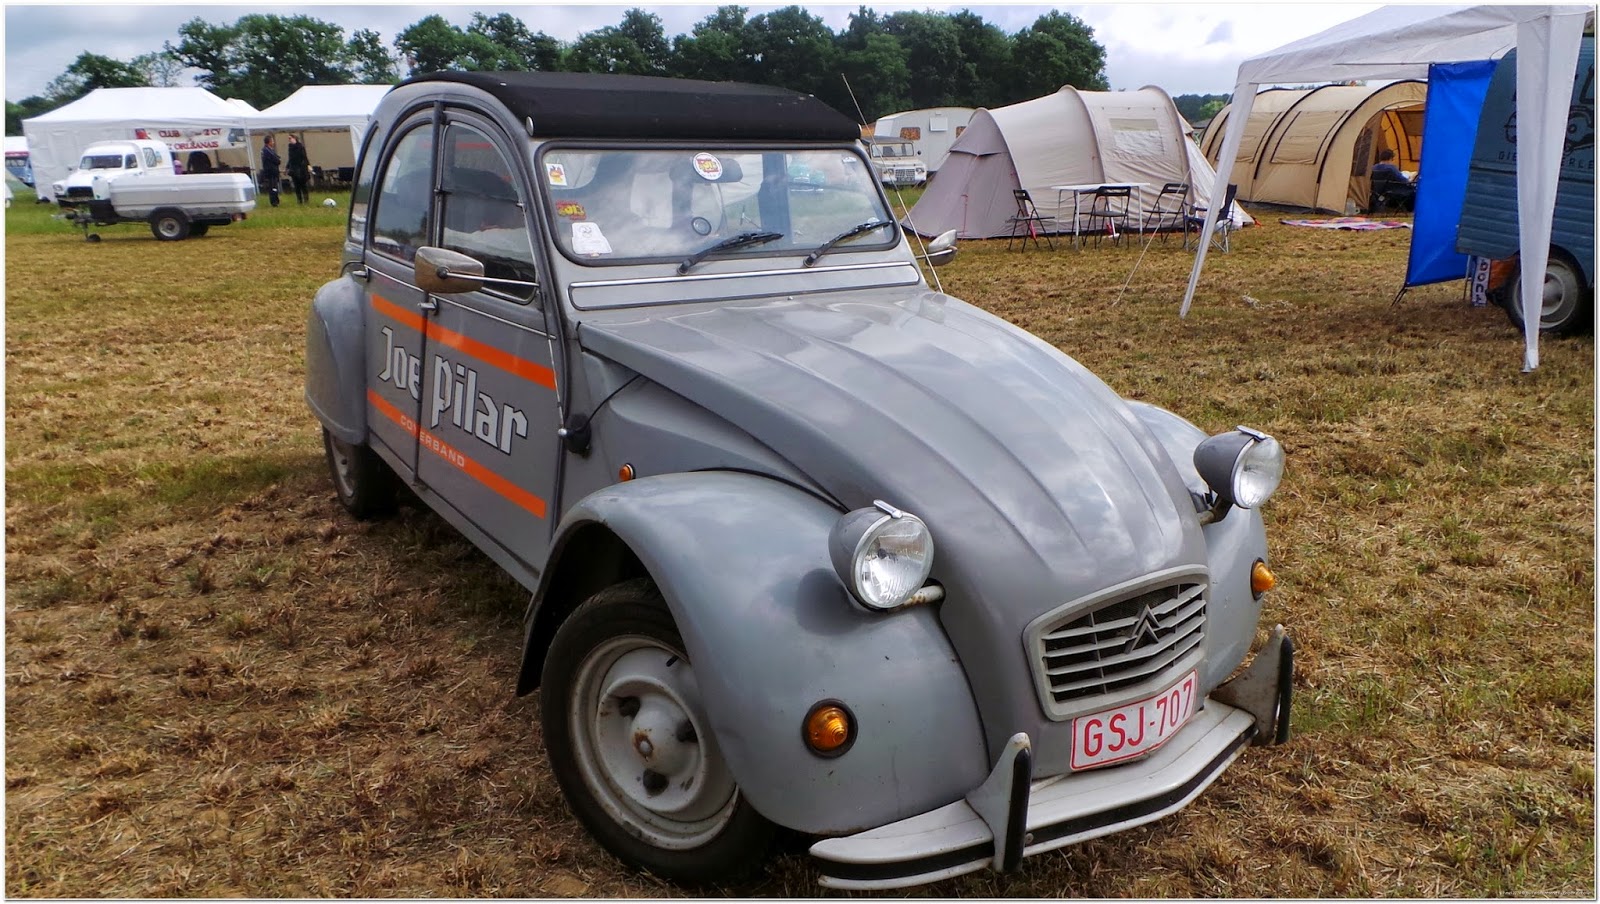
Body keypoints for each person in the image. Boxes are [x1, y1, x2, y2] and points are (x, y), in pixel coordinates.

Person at [286, 134, 311, 205]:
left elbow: (304, 157)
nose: (290, 140)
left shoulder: (300, 147)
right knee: (296, 186)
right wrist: (287, 167)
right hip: (293, 169)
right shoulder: (290, 148)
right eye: (289, 139)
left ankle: (306, 200)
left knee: (303, 186)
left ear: (295, 138)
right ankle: (299, 200)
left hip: (301, 169)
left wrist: (307, 165)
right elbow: (290, 159)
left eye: (290, 138)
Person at [260, 135, 281, 208]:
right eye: (272, 141)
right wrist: (278, 160)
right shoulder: (266, 150)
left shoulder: (269, 150)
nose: (273, 142)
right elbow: (276, 159)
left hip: (273, 172)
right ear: (269, 142)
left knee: (274, 187)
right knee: (273, 187)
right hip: (271, 172)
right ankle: (274, 202)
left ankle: (276, 200)